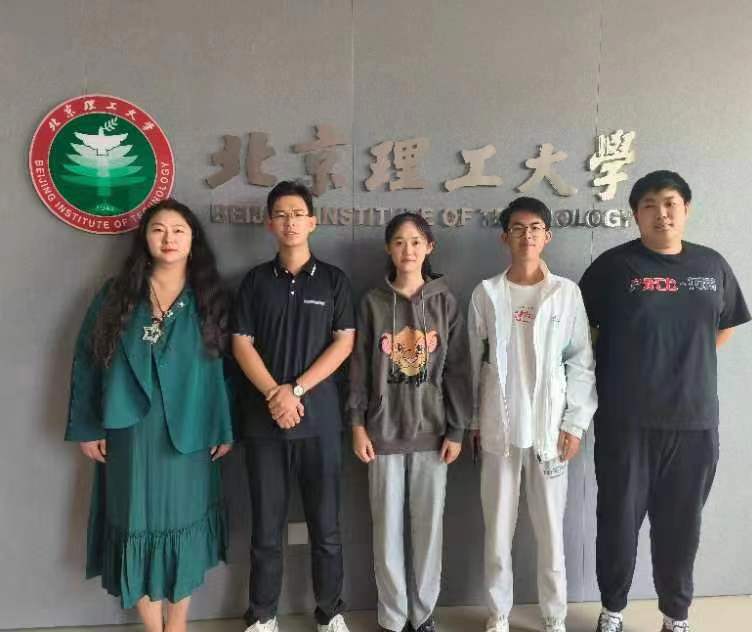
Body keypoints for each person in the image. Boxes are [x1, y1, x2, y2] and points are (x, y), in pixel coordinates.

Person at [579, 171, 752, 632]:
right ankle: (612, 610)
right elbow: (581, 334)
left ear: (686, 209)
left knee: (681, 525)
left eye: (671, 203)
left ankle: (675, 615)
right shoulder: (613, 267)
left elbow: (724, 327)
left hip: (694, 421)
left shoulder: (712, 266)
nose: (662, 213)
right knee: (618, 521)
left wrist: (684, 361)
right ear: (636, 215)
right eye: (650, 205)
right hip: (626, 421)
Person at [65, 199, 234, 632]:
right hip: (130, 432)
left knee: (185, 528)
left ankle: (176, 626)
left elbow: (228, 371)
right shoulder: (117, 294)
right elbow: (87, 360)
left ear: (193, 241)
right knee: (133, 525)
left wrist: (224, 427)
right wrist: (87, 426)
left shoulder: (211, 299)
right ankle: (151, 627)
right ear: (144, 239)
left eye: (178, 230)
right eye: (158, 229)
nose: (168, 238)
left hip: (192, 432)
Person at [468, 197, 597, 632]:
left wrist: (574, 423)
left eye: (535, 228)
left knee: (551, 534)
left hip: (550, 432)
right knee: (497, 532)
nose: (527, 236)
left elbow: (580, 361)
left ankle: (554, 616)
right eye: (518, 228)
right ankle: (498, 614)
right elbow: (471, 363)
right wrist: (473, 422)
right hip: (499, 431)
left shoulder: (565, 293)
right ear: (505, 237)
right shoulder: (487, 293)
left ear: (547, 236)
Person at [233, 181, 355, 632]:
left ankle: (330, 611)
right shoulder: (254, 281)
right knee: (266, 528)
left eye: (298, 213)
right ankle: (263, 615)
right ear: (270, 223)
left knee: (327, 528)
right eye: (281, 214)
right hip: (265, 424)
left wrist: (296, 391)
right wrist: (275, 394)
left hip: (320, 422)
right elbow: (241, 343)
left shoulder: (334, 280)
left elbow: (344, 343)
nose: (290, 222)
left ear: (313, 222)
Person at [347, 212, 471, 632]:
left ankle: (423, 615)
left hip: (432, 435)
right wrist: (357, 424)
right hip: (381, 433)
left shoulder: (445, 302)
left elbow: (458, 370)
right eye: (399, 241)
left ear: (429, 247)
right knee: (386, 532)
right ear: (389, 248)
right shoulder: (372, 303)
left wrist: (457, 429)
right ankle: (393, 617)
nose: (408, 250)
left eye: (416, 241)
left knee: (428, 531)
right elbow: (359, 368)